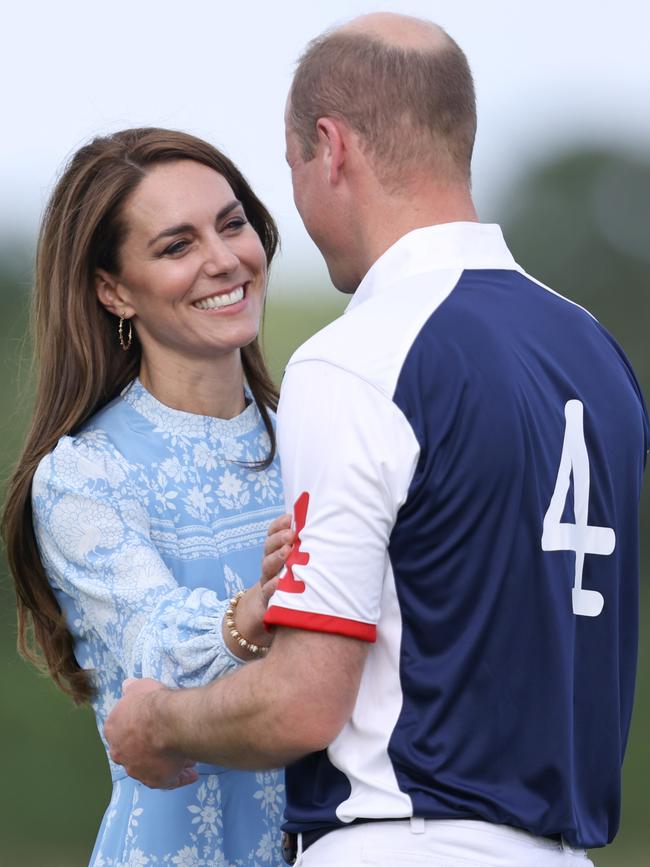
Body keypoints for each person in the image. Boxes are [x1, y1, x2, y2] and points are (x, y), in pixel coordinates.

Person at [104, 13, 649, 867]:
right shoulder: (595, 350)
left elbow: (302, 704)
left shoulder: (358, 357)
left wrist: (157, 721)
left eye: (291, 168)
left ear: (331, 148)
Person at [2, 127, 294, 866]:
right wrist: (254, 611)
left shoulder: (315, 439)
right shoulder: (83, 476)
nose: (224, 259)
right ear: (113, 289)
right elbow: (152, 645)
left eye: (232, 224)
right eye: (176, 246)